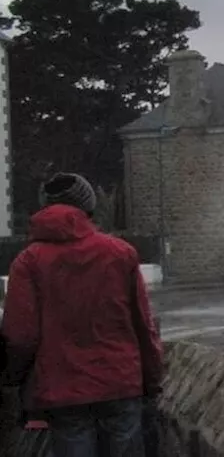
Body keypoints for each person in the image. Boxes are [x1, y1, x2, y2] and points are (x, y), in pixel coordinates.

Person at [1, 173, 164, 457]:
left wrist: (14, 381)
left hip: (63, 392)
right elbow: (143, 325)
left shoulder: (28, 262)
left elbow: (20, 336)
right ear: (88, 208)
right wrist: (151, 380)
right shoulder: (120, 253)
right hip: (120, 385)